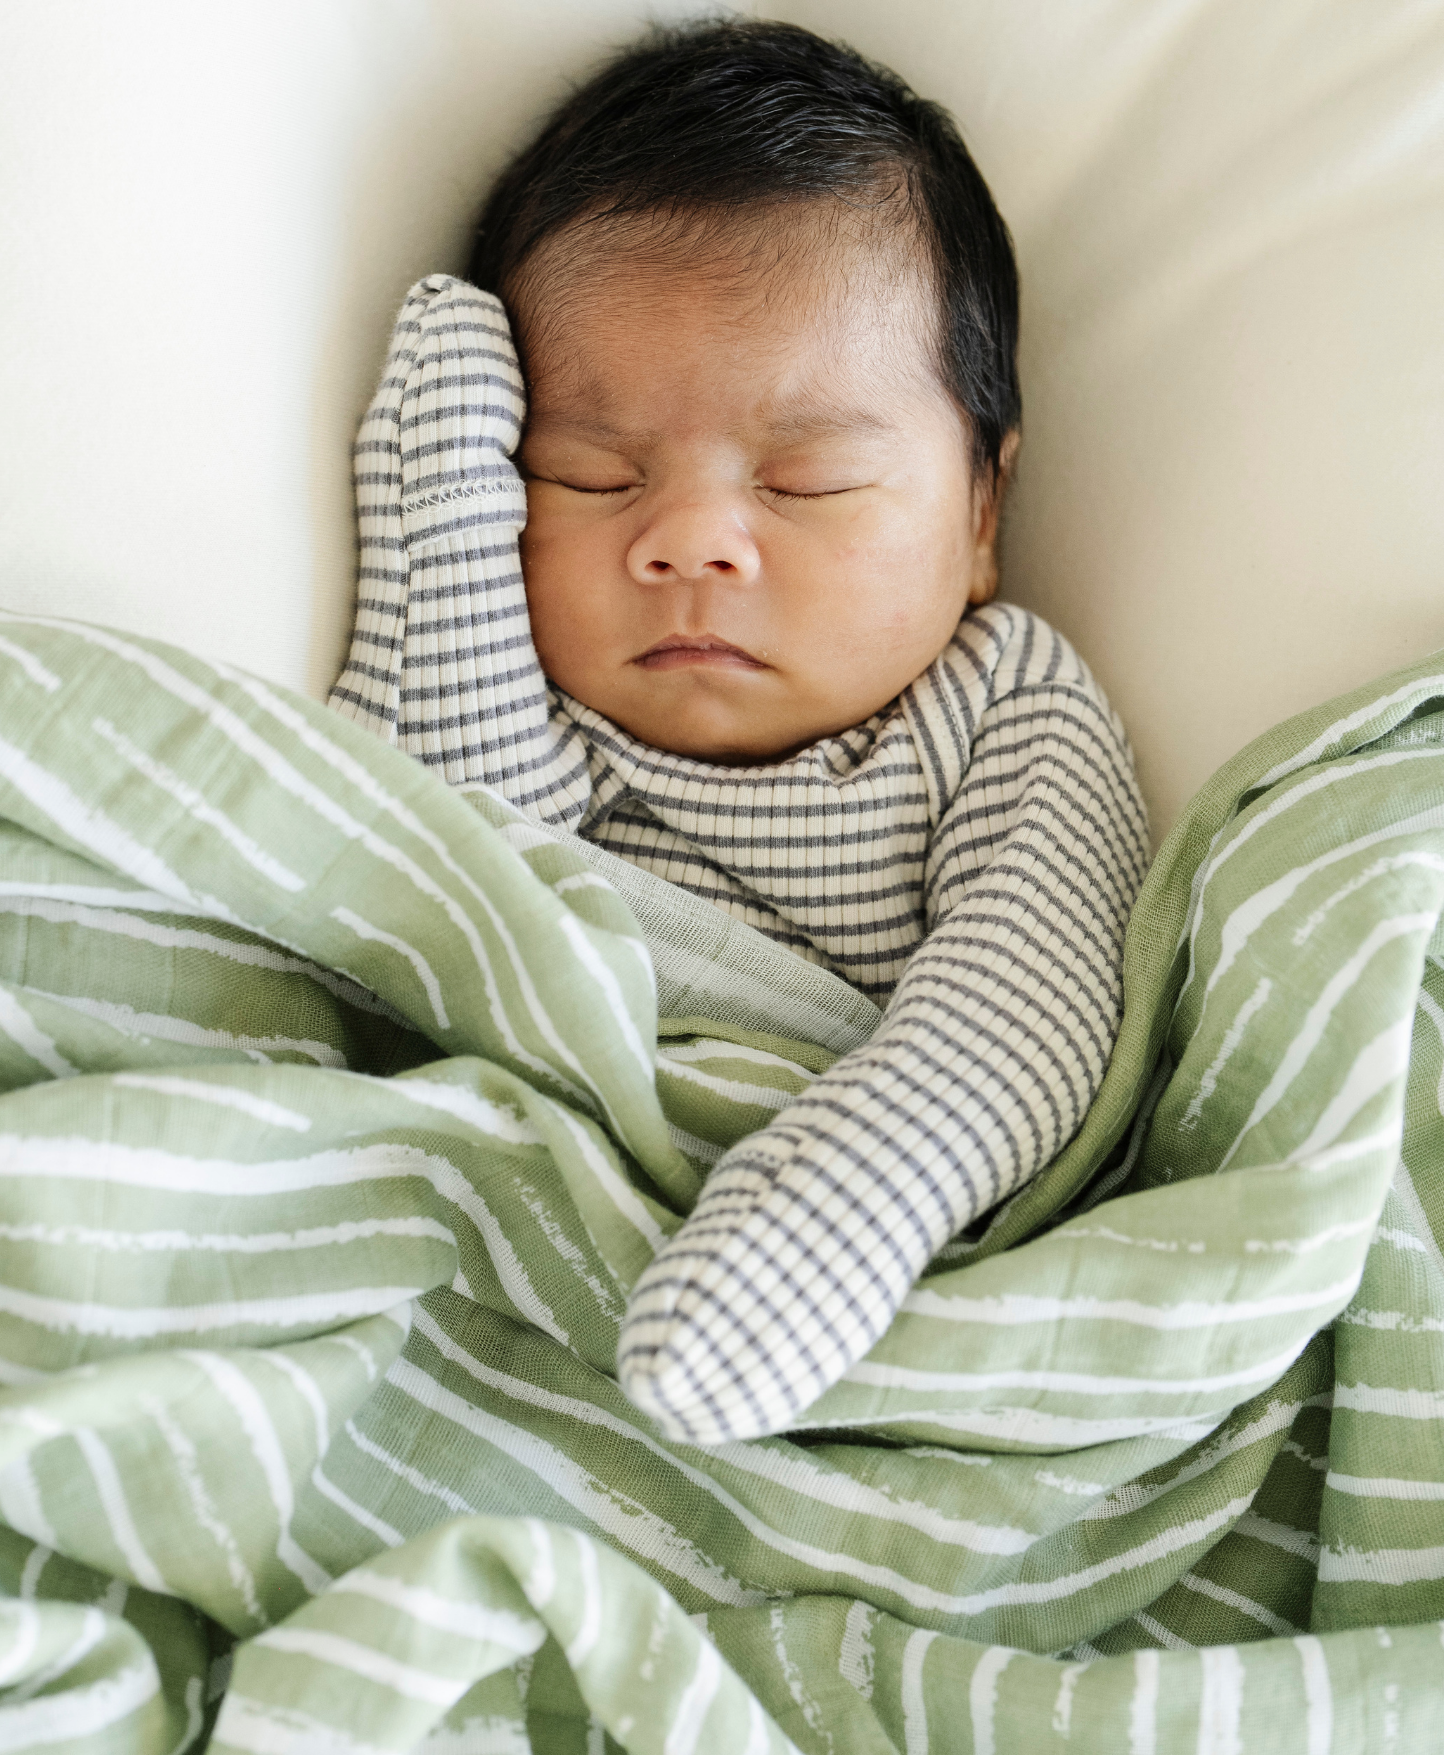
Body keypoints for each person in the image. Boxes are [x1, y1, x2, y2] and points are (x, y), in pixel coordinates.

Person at [330, 19, 1150, 1444]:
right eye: (584, 475)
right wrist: (449, 428)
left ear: (976, 514)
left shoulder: (999, 707)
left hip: (861, 1233)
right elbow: (454, 877)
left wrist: (829, 1213)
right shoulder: (534, 699)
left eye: (808, 479)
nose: (690, 540)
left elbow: (1028, 1008)